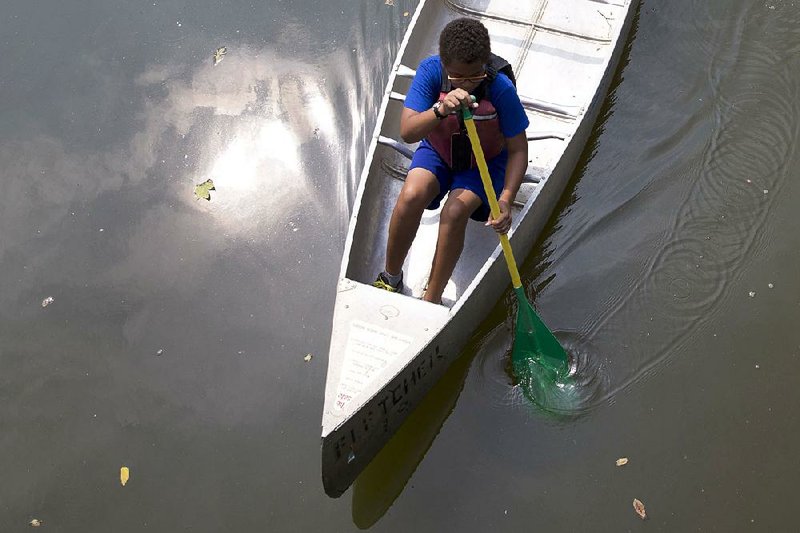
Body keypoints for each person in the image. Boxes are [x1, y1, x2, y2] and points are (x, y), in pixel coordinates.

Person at [374, 17, 529, 305]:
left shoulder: (500, 87)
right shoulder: (431, 71)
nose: (468, 85)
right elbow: (408, 132)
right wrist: (440, 109)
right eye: (459, 78)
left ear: (484, 65)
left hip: (484, 162)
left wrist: (506, 199)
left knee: (454, 212)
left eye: (475, 77)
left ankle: (430, 299)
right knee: (411, 195)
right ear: (445, 65)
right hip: (439, 152)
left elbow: (519, 150)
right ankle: (390, 278)